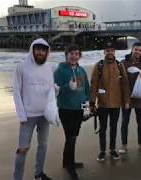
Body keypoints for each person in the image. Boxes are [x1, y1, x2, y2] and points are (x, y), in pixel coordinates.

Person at [13, 38, 53, 180]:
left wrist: (56, 90)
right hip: (27, 116)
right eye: (38, 49)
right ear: (32, 50)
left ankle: (39, 173)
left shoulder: (48, 68)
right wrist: (21, 115)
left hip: (45, 114)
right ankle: (17, 178)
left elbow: (50, 91)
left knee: (43, 144)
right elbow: (16, 92)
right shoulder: (21, 67)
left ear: (47, 51)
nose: (40, 52)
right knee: (23, 149)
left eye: (43, 50)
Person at [54, 44, 90, 179]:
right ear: (66, 55)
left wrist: (87, 106)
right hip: (66, 109)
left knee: (72, 137)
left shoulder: (81, 71)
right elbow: (55, 91)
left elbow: (87, 89)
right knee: (71, 138)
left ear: (79, 56)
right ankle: (70, 166)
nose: (74, 56)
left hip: (79, 109)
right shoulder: (59, 71)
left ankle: (66, 162)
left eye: (76, 53)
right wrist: (67, 87)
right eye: (71, 53)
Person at [90, 42, 130, 162]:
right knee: (103, 128)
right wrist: (92, 102)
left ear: (114, 52)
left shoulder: (119, 65)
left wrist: (126, 101)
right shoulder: (99, 65)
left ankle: (112, 149)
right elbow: (93, 84)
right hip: (102, 103)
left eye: (112, 50)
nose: (110, 53)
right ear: (104, 52)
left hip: (116, 103)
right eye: (107, 51)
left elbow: (125, 84)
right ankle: (102, 151)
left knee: (113, 127)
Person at [119, 42, 141, 154]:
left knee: (140, 122)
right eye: (136, 49)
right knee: (124, 122)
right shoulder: (123, 62)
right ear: (132, 50)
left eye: (140, 50)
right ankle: (124, 145)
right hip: (127, 98)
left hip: (139, 97)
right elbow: (119, 77)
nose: (137, 52)